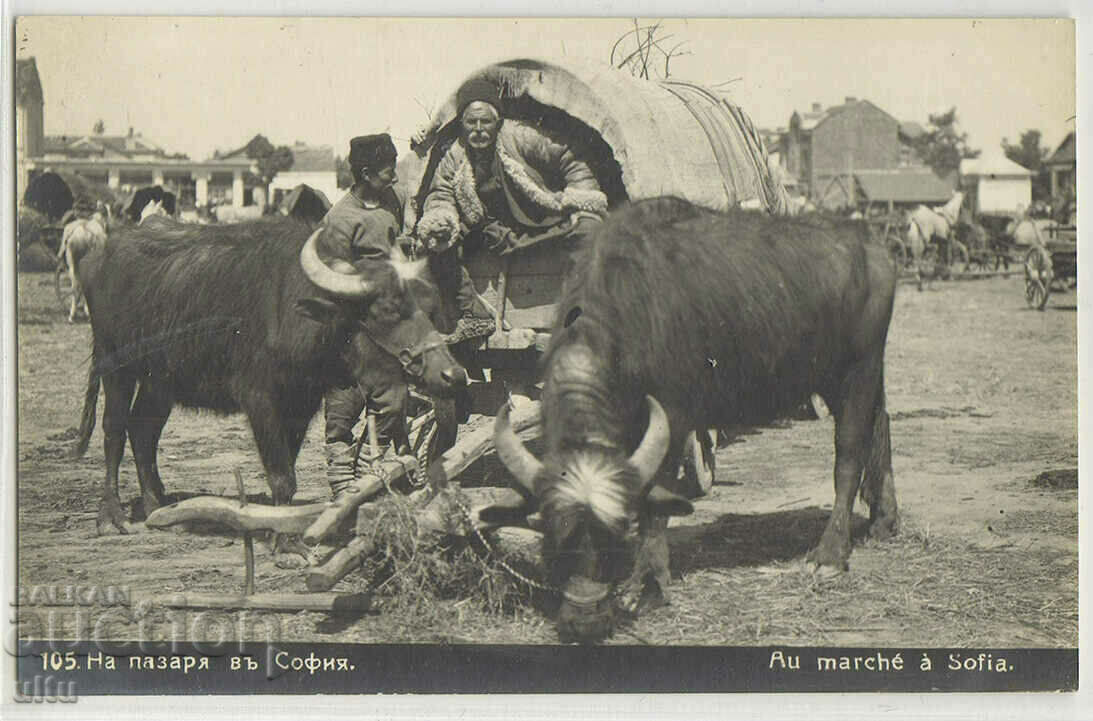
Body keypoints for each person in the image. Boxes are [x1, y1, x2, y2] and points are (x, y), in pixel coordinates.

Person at [416, 77, 609, 342]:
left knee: (589, 232)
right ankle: (473, 314)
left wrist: (582, 201)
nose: (479, 129)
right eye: (471, 122)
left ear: (498, 121)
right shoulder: (456, 154)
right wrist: (440, 217)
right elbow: (441, 192)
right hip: (493, 228)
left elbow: (571, 158)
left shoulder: (521, 136)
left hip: (543, 217)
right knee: (437, 241)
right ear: (462, 124)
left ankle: (584, 312)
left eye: (486, 122)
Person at [317, 133, 408, 500]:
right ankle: (341, 482)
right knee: (344, 403)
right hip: (349, 323)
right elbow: (327, 277)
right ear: (366, 173)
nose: (395, 179)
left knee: (394, 396)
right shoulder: (339, 219)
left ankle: (376, 469)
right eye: (388, 172)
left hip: (387, 321)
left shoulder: (392, 200)